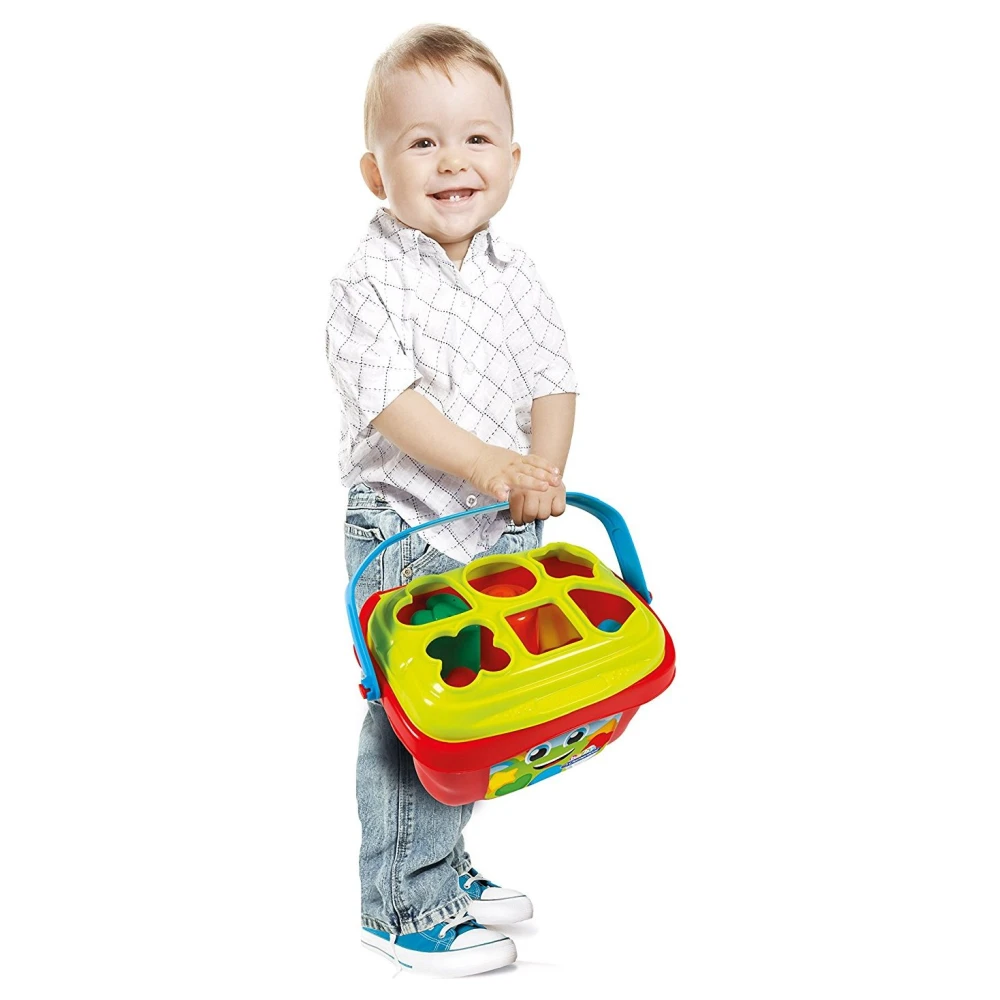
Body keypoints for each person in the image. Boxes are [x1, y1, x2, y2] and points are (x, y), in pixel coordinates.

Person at [325, 23, 579, 978]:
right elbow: (392, 405)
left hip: (491, 526)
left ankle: (443, 862)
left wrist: (539, 476)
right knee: (417, 709)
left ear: (511, 158)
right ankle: (402, 902)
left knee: (474, 700)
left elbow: (553, 382)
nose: (452, 161)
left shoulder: (518, 277)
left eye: (476, 138)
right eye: (421, 141)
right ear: (375, 171)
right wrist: (490, 468)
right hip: (406, 521)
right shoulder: (366, 283)